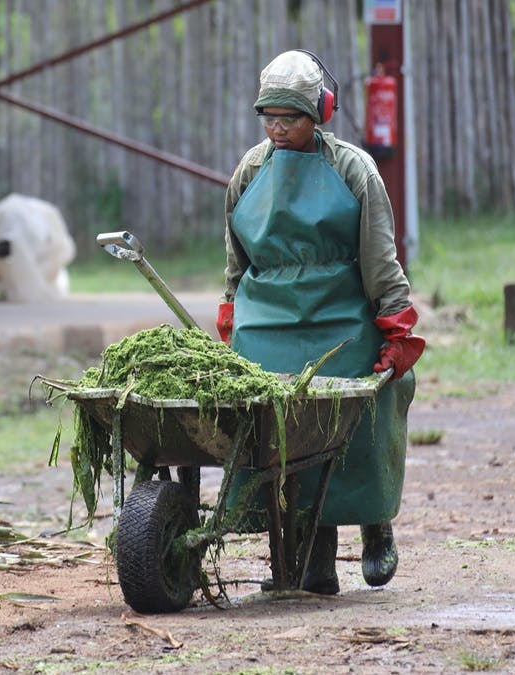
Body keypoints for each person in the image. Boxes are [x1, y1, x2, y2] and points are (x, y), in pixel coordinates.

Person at [216, 50, 425, 594]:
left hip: (341, 317)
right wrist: (231, 317)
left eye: (292, 118)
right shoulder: (249, 171)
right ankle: (312, 560)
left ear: (321, 113)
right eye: (270, 118)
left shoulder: (353, 168)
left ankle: (375, 525)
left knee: (365, 414)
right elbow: (237, 264)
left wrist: (396, 329)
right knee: (276, 433)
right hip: (268, 324)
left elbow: (380, 258)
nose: (280, 129)